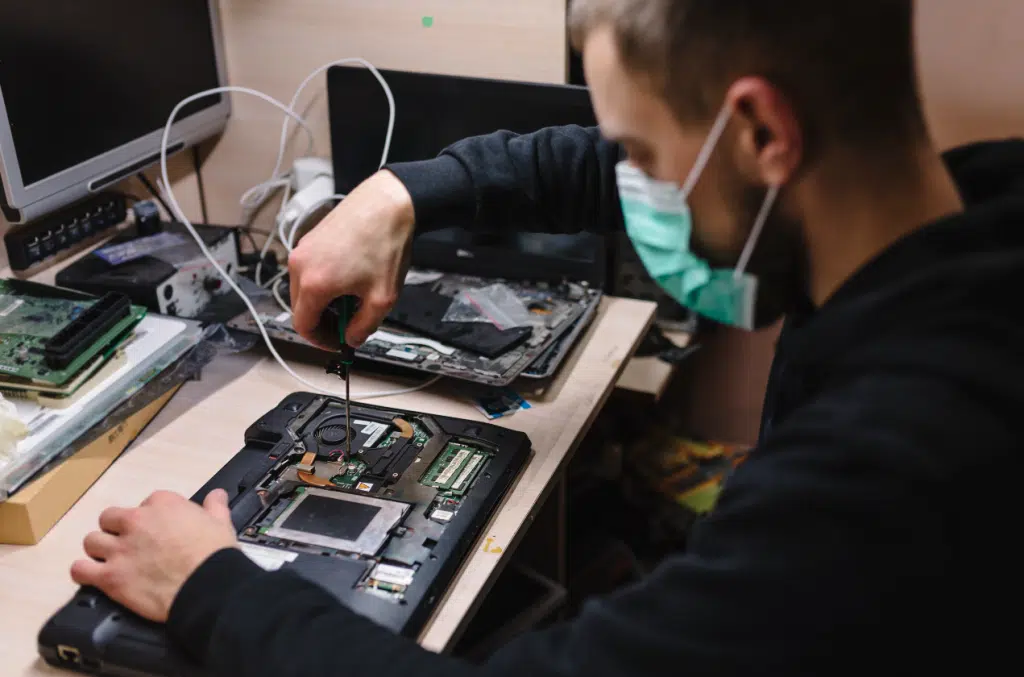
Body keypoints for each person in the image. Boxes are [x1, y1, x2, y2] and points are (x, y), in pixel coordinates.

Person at [71, 1, 1024, 675]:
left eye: (643, 154)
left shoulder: (898, 466)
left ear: (764, 134)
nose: (627, 179)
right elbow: (586, 164)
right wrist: (401, 194)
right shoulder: (971, 208)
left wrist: (212, 586)